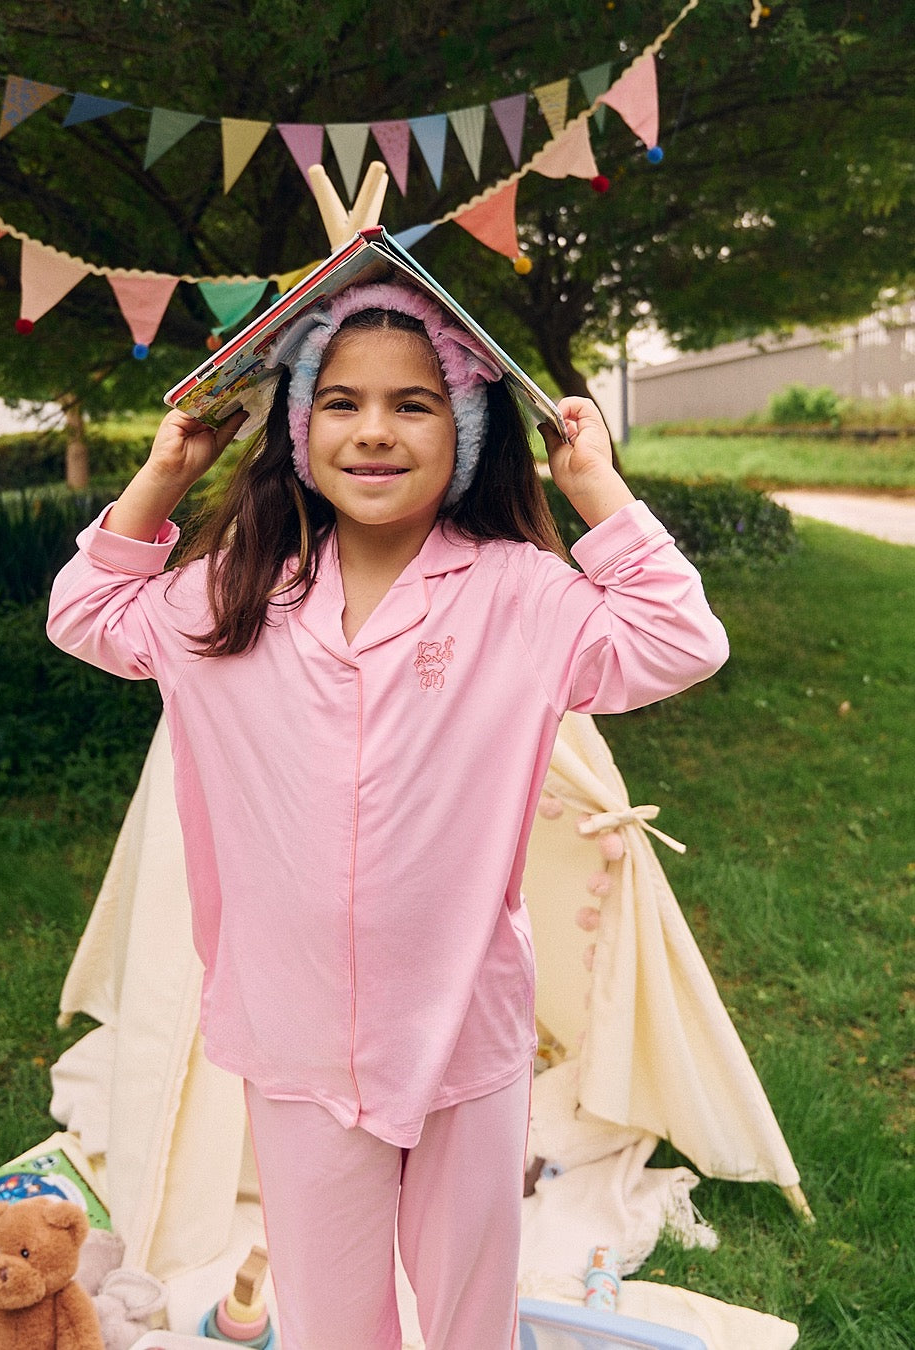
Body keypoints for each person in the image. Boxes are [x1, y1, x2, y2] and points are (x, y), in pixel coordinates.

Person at [47, 279, 728, 1350]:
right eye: (340, 401)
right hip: (296, 1036)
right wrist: (166, 472)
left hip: (463, 1028)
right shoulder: (234, 593)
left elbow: (681, 641)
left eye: (412, 404)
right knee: (329, 1321)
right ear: (298, 423)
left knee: (470, 1316)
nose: (373, 431)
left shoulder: (515, 592)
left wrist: (598, 493)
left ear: (462, 428)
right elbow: (85, 613)